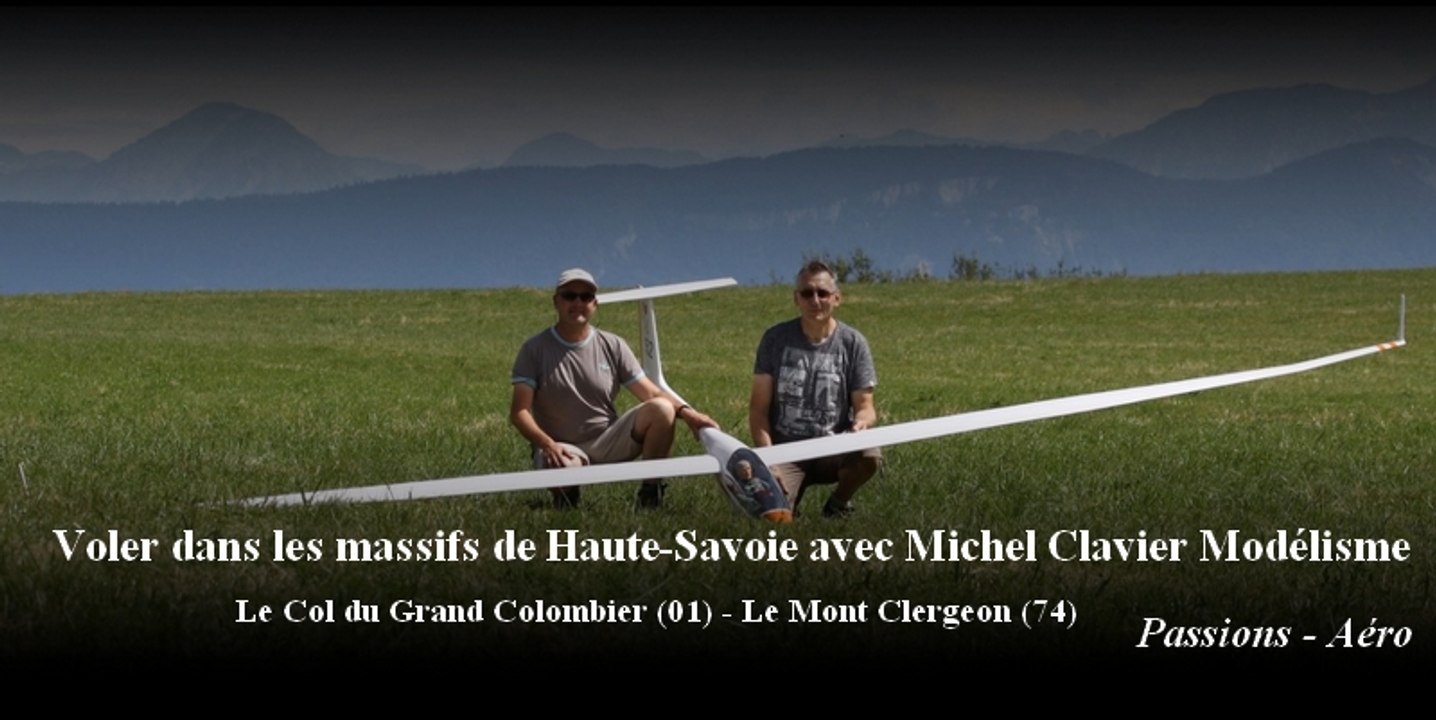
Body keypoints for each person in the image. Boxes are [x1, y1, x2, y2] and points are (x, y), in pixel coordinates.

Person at [510, 268, 718, 509]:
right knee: (564, 472)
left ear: (595, 304)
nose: (578, 302)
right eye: (569, 296)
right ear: (556, 301)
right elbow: (519, 412)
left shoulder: (613, 344)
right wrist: (547, 444)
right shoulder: (534, 349)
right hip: (561, 445)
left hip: (607, 439)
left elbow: (651, 393)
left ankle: (651, 492)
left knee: (662, 409)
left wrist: (689, 414)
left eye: (586, 297)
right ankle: (566, 496)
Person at [749, 260, 881, 517]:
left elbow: (866, 408)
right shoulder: (775, 338)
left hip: (832, 448)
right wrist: (768, 459)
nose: (815, 300)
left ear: (837, 298)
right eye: (807, 293)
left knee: (870, 455)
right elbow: (758, 409)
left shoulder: (853, 343)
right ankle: (787, 497)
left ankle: (838, 504)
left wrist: (861, 424)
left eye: (823, 293)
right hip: (785, 450)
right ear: (795, 299)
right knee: (773, 517)